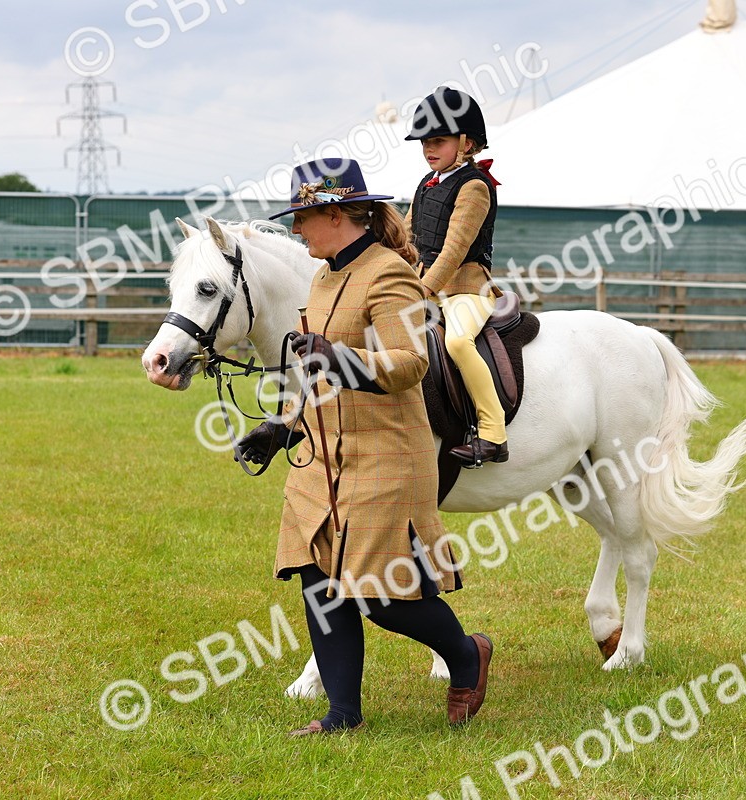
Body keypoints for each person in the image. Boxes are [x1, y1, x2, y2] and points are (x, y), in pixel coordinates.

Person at [235, 158, 492, 735]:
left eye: (303, 218)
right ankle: (342, 715)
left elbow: (410, 363)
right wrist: (283, 427)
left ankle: (468, 656)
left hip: (385, 455)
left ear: (334, 213)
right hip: (321, 456)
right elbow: (312, 368)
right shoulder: (323, 275)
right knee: (319, 580)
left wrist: (341, 359)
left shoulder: (387, 275)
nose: (296, 231)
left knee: (383, 595)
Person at [404, 87, 507, 467]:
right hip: (422, 285)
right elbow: (406, 236)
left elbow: (454, 251)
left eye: (438, 141)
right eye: (425, 142)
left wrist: (424, 290)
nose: (429, 148)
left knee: (459, 342)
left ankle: (494, 434)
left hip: (466, 289)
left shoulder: (475, 187)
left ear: (466, 142)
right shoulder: (426, 184)